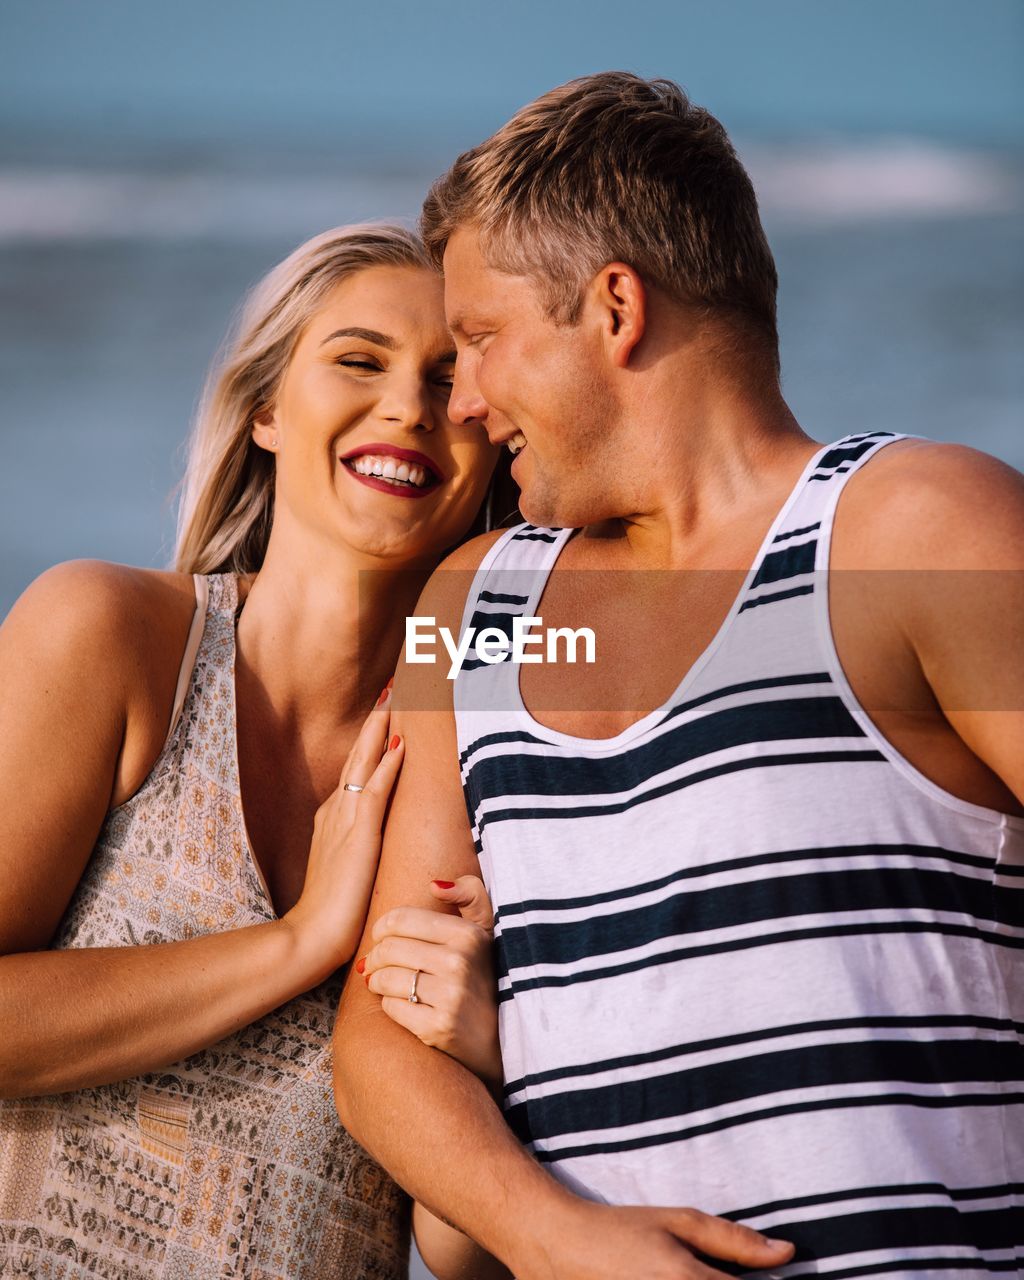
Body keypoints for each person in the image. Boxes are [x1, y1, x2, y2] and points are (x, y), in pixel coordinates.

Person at [337, 75, 1024, 1278]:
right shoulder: (482, 604)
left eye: (485, 341)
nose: (465, 400)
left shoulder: (909, 531)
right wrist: (557, 1235)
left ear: (614, 307)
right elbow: (378, 1041)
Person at [0, 223, 513, 1280]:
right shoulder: (109, 636)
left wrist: (488, 1059)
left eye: (450, 381)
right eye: (359, 360)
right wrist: (300, 940)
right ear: (269, 408)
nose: (408, 407)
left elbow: (454, 1254)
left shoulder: (482, 751)